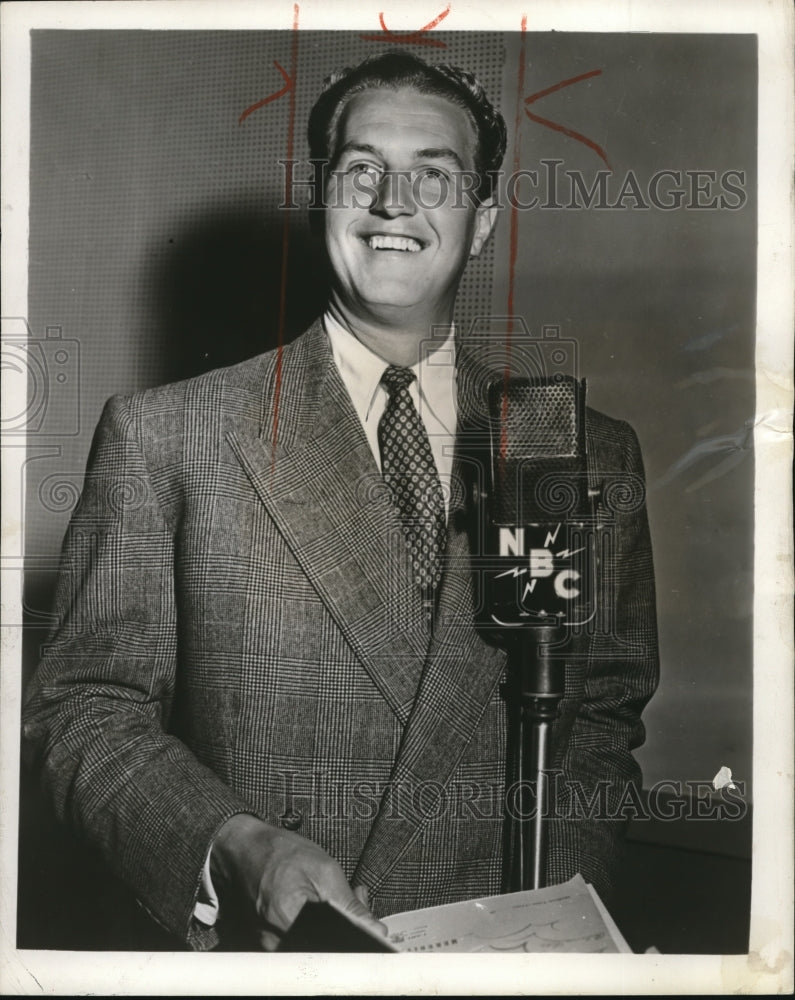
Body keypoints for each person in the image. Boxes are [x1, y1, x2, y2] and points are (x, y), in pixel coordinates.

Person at [23, 51, 659, 951]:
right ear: (323, 197)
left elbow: (601, 717)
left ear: (480, 221)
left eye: (432, 174)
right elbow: (83, 711)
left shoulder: (587, 451)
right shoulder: (168, 435)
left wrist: (542, 914)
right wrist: (239, 848)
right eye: (362, 169)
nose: (392, 201)